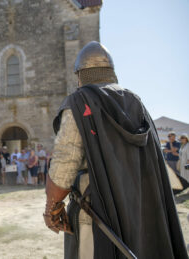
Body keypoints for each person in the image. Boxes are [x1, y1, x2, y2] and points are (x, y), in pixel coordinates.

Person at [44, 41, 187, 259]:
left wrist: (51, 209)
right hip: (141, 209)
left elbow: (65, 163)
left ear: (80, 74)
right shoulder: (135, 102)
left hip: (98, 214)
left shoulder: (80, 102)